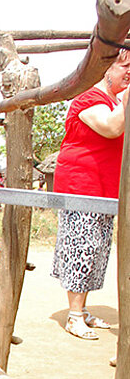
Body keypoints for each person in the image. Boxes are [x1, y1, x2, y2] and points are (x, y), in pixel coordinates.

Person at [50, 50, 130, 340]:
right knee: (80, 249)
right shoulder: (86, 99)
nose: (129, 73)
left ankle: (81, 311)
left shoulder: (114, 100)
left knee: (96, 250)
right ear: (107, 68)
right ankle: (73, 316)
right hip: (81, 186)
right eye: (125, 66)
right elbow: (111, 128)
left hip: (105, 186)